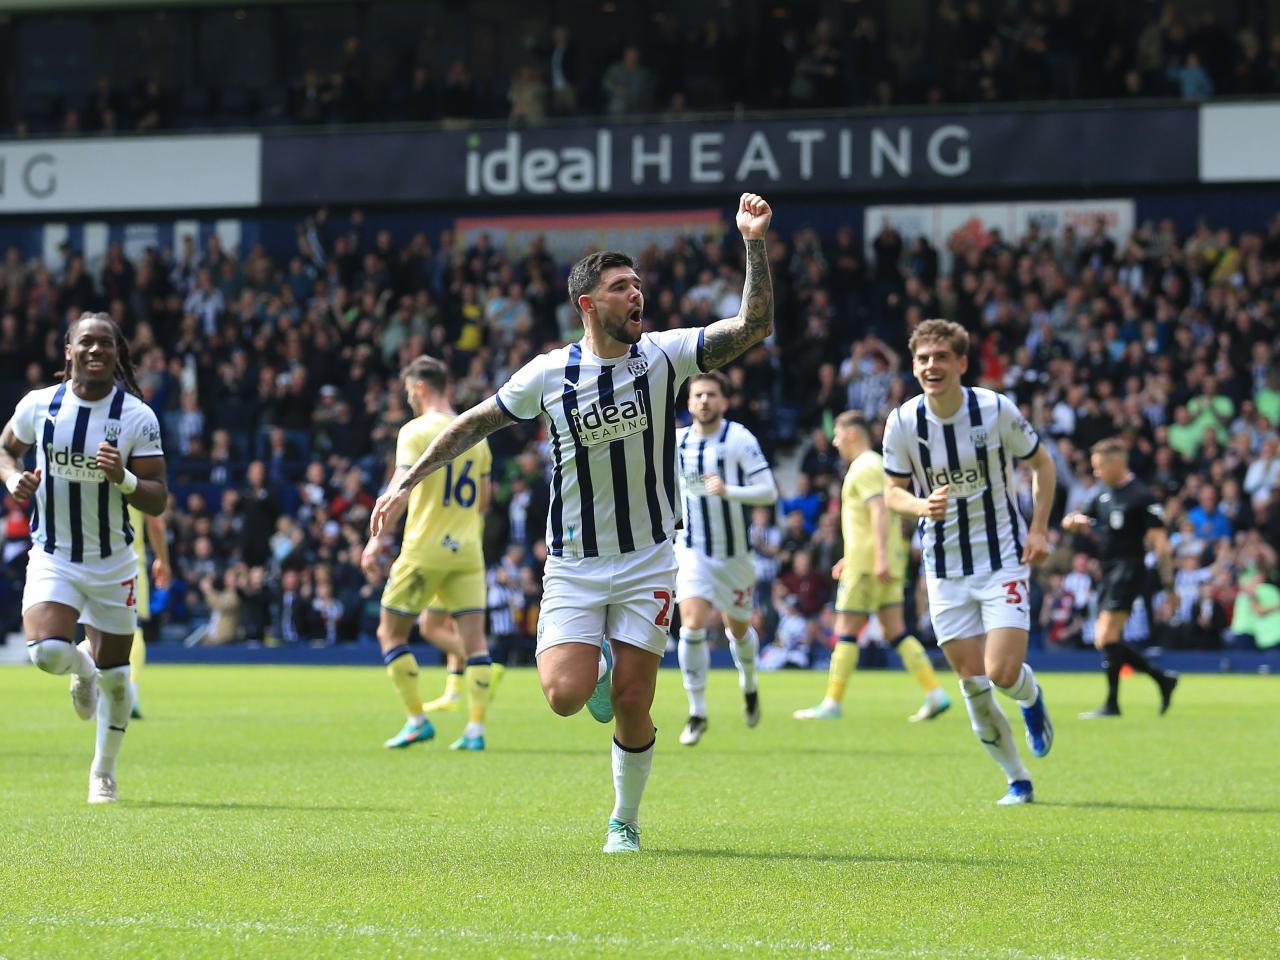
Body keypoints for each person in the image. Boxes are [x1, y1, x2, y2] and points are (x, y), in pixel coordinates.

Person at [372, 193, 776, 853]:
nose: (635, 295)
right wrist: (404, 481)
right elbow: (473, 422)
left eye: (638, 285)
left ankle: (626, 820)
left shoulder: (666, 356)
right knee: (563, 695)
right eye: (621, 288)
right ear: (588, 305)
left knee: (635, 701)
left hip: (648, 558)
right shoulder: (548, 374)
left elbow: (751, 326)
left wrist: (753, 242)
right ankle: (600, 661)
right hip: (574, 565)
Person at [882, 319, 1057, 806]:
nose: (931, 366)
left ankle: (1030, 697)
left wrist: (1039, 528)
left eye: (940, 357)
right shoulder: (902, 422)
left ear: (961, 363)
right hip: (943, 567)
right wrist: (920, 506)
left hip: (1001, 557)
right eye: (922, 358)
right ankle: (1017, 778)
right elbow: (891, 492)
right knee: (973, 684)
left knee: (1002, 672)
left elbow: (1042, 463)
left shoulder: (995, 409)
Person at [0, 312, 167, 804]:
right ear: (68, 351)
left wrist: (125, 479)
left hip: (114, 562)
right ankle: (81, 668)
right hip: (54, 555)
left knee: (119, 682)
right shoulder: (40, 405)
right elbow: (6, 449)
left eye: (106, 345)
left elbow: (157, 498)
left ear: (117, 354)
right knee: (46, 653)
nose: (96, 351)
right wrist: (13, 480)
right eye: (87, 343)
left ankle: (103, 772)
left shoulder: (137, 416)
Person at [361, 356, 496, 752]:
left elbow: (399, 491)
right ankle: (475, 731)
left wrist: (376, 541)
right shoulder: (476, 434)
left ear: (420, 387)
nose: (408, 399)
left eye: (408, 392)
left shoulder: (415, 431)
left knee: (389, 632)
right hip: (468, 549)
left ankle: (417, 720)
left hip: (424, 549)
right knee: (476, 644)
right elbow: (485, 501)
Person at [794, 410, 951, 723]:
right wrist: (854, 556)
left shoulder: (863, 466)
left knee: (845, 631)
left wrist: (873, 557)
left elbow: (879, 511)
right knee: (896, 631)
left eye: (838, 435)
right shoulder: (875, 465)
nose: (835, 442)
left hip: (870, 565)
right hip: (882, 560)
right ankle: (935, 693)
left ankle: (832, 703)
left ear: (852, 434)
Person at [673, 370, 778, 746]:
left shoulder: (739, 439)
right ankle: (697, 711)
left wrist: (729, 490)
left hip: (735, 556)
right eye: (698, 395)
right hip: (693, 550)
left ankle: (749, 683)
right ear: (688, 403)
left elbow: (768, 492)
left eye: (711, 395)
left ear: (724, 401)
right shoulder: (677, 443)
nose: (704, 401)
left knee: (737, 629)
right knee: (692, 625)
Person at [1063, 438, 1178, 718]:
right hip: (1107, 571)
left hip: (1130, 569)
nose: (1096, 473)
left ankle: (1113, 704)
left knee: (1106, 635)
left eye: (1099, 467)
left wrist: (1169, 587)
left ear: (1117, 463)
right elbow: (1073, 519)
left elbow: (1161, 546)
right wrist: (1072, 522)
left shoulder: (1141, 496)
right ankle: (1162, 679)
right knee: (1105, 640)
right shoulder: (1100, 493)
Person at [127, 503, 172, 719]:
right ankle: (131, 693)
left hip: (85, 561)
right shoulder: (138, 473)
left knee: (93, 628)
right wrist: (163, 559)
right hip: (129, 563)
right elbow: (155, 522)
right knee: (133, 630)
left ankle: (85, 681)